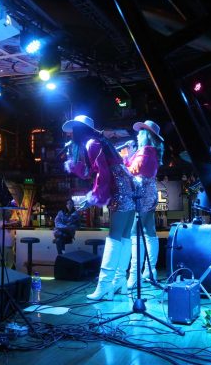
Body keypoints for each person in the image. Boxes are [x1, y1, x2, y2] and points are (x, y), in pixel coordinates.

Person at [62, 115, 135, 300]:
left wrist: (93, 197)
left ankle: (104, 286)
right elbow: (95, 171)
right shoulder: (99, 142)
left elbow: (102, 173)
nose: (70, 135)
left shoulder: (91, 144)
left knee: (114, 237)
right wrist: (74, 162)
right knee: (124, 237)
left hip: (119, 189)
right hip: (128, 186)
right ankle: (119, 281)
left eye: (72, 131)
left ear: (78, 131)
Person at [122, 120, 164, 290]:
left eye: (140, 132)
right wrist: (130, 155)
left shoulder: (146, 151)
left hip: (142, 195)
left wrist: (124, 158)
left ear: (146, 135)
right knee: (149, 232)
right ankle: (149, 270)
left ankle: (135, 276)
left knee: (135, 233)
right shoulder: (149, 151)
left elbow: (131, 171)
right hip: (148, 193)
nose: (137, 135)